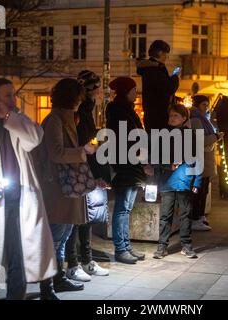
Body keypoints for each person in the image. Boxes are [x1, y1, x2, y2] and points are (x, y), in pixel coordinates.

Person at [0, 78, 57, 300]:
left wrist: (10, 118)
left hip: (22, 196)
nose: (13, 99)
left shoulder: (17, 121)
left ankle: (17, 294)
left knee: (20, 251)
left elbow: (35, 138)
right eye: (7, 95)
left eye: (13, 94)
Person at [38, 79, 98, 296]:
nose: (80, 102)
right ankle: (47, 286)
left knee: (63, 235)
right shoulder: (55, 120)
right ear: (73, 99)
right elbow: (56, 153)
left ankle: (58, 278)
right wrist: (83, 151)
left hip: (67, 187)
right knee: (55, 237)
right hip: (58, 187)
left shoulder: (65, 118)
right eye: (79, 98)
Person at [64, 70, 110, 282]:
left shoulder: (88, 109)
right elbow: (81, 142)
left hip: (86, 168)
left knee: (86, 217)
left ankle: (85, 260)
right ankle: (73, 263)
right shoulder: (79, 112)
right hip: (79, 170)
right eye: (97, 87)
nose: (100, 91)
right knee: (77, 219)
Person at [105, 77, 154, 264]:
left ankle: (126, 246)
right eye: (134, 90)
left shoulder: (126, 111)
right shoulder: (119, 112)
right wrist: (143, 161)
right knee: (122, 209)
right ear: (126, 92)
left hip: (131, 166)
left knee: (126, 209)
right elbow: (130, 141)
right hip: (126, 167)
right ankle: (121, 248)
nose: (136, 93)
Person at [153, 104, 201, 259]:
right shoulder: (163, 135)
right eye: (170, 116)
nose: (172, 118)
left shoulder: (191, 136)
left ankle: (186, 245)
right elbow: (156, 158)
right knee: (165, 215)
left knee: (185, 214)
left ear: (184, 118)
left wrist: (197, 182)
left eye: (176, 116)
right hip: (167, 182)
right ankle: (162, 246)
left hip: (184, 181)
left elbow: (197, 160)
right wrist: (167, 165)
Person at [189, 95, 222, 231]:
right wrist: (215, 137)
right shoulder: (196, 119)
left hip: (206, 158)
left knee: (204, 190)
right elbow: (200, 140)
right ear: (197, 105)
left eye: (207, 104)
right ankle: (195, 218)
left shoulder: (204, 119)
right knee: (198, 191)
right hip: (200, 159)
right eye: (203, 104)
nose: (206, 107)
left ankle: (200, 216)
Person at [137, 40, 180, 131]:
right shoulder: (154, 70)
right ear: (160, 53)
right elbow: (168, 88)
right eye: (166, 54)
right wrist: (175, 77)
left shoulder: (151, 68)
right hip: (158, 118)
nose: (166, 58)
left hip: (153, 117)